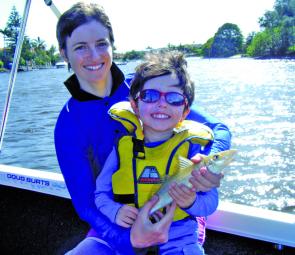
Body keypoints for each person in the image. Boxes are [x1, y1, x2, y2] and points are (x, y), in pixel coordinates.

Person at [54, 2, 231, 254]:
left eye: (101, 44)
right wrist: (130, 239)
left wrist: (206, 168)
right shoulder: (68, 125)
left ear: (112, 45)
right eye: (80, 47)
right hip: (118, 217)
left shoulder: (147, 90)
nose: (94, 56)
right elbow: (85, 204)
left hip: (178, 217)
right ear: (64, 53)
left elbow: (218, 129)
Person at [94, 51, 218, 255]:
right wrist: (115, 211)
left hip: (179, 237)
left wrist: (191, 202)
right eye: (150, 96)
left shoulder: (193, 150)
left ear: (185, 111)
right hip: (128, 230)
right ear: (135, 104)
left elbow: (210, 203)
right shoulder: (122, 148)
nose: (162, 103)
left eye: (174, 98)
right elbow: (101, 194)